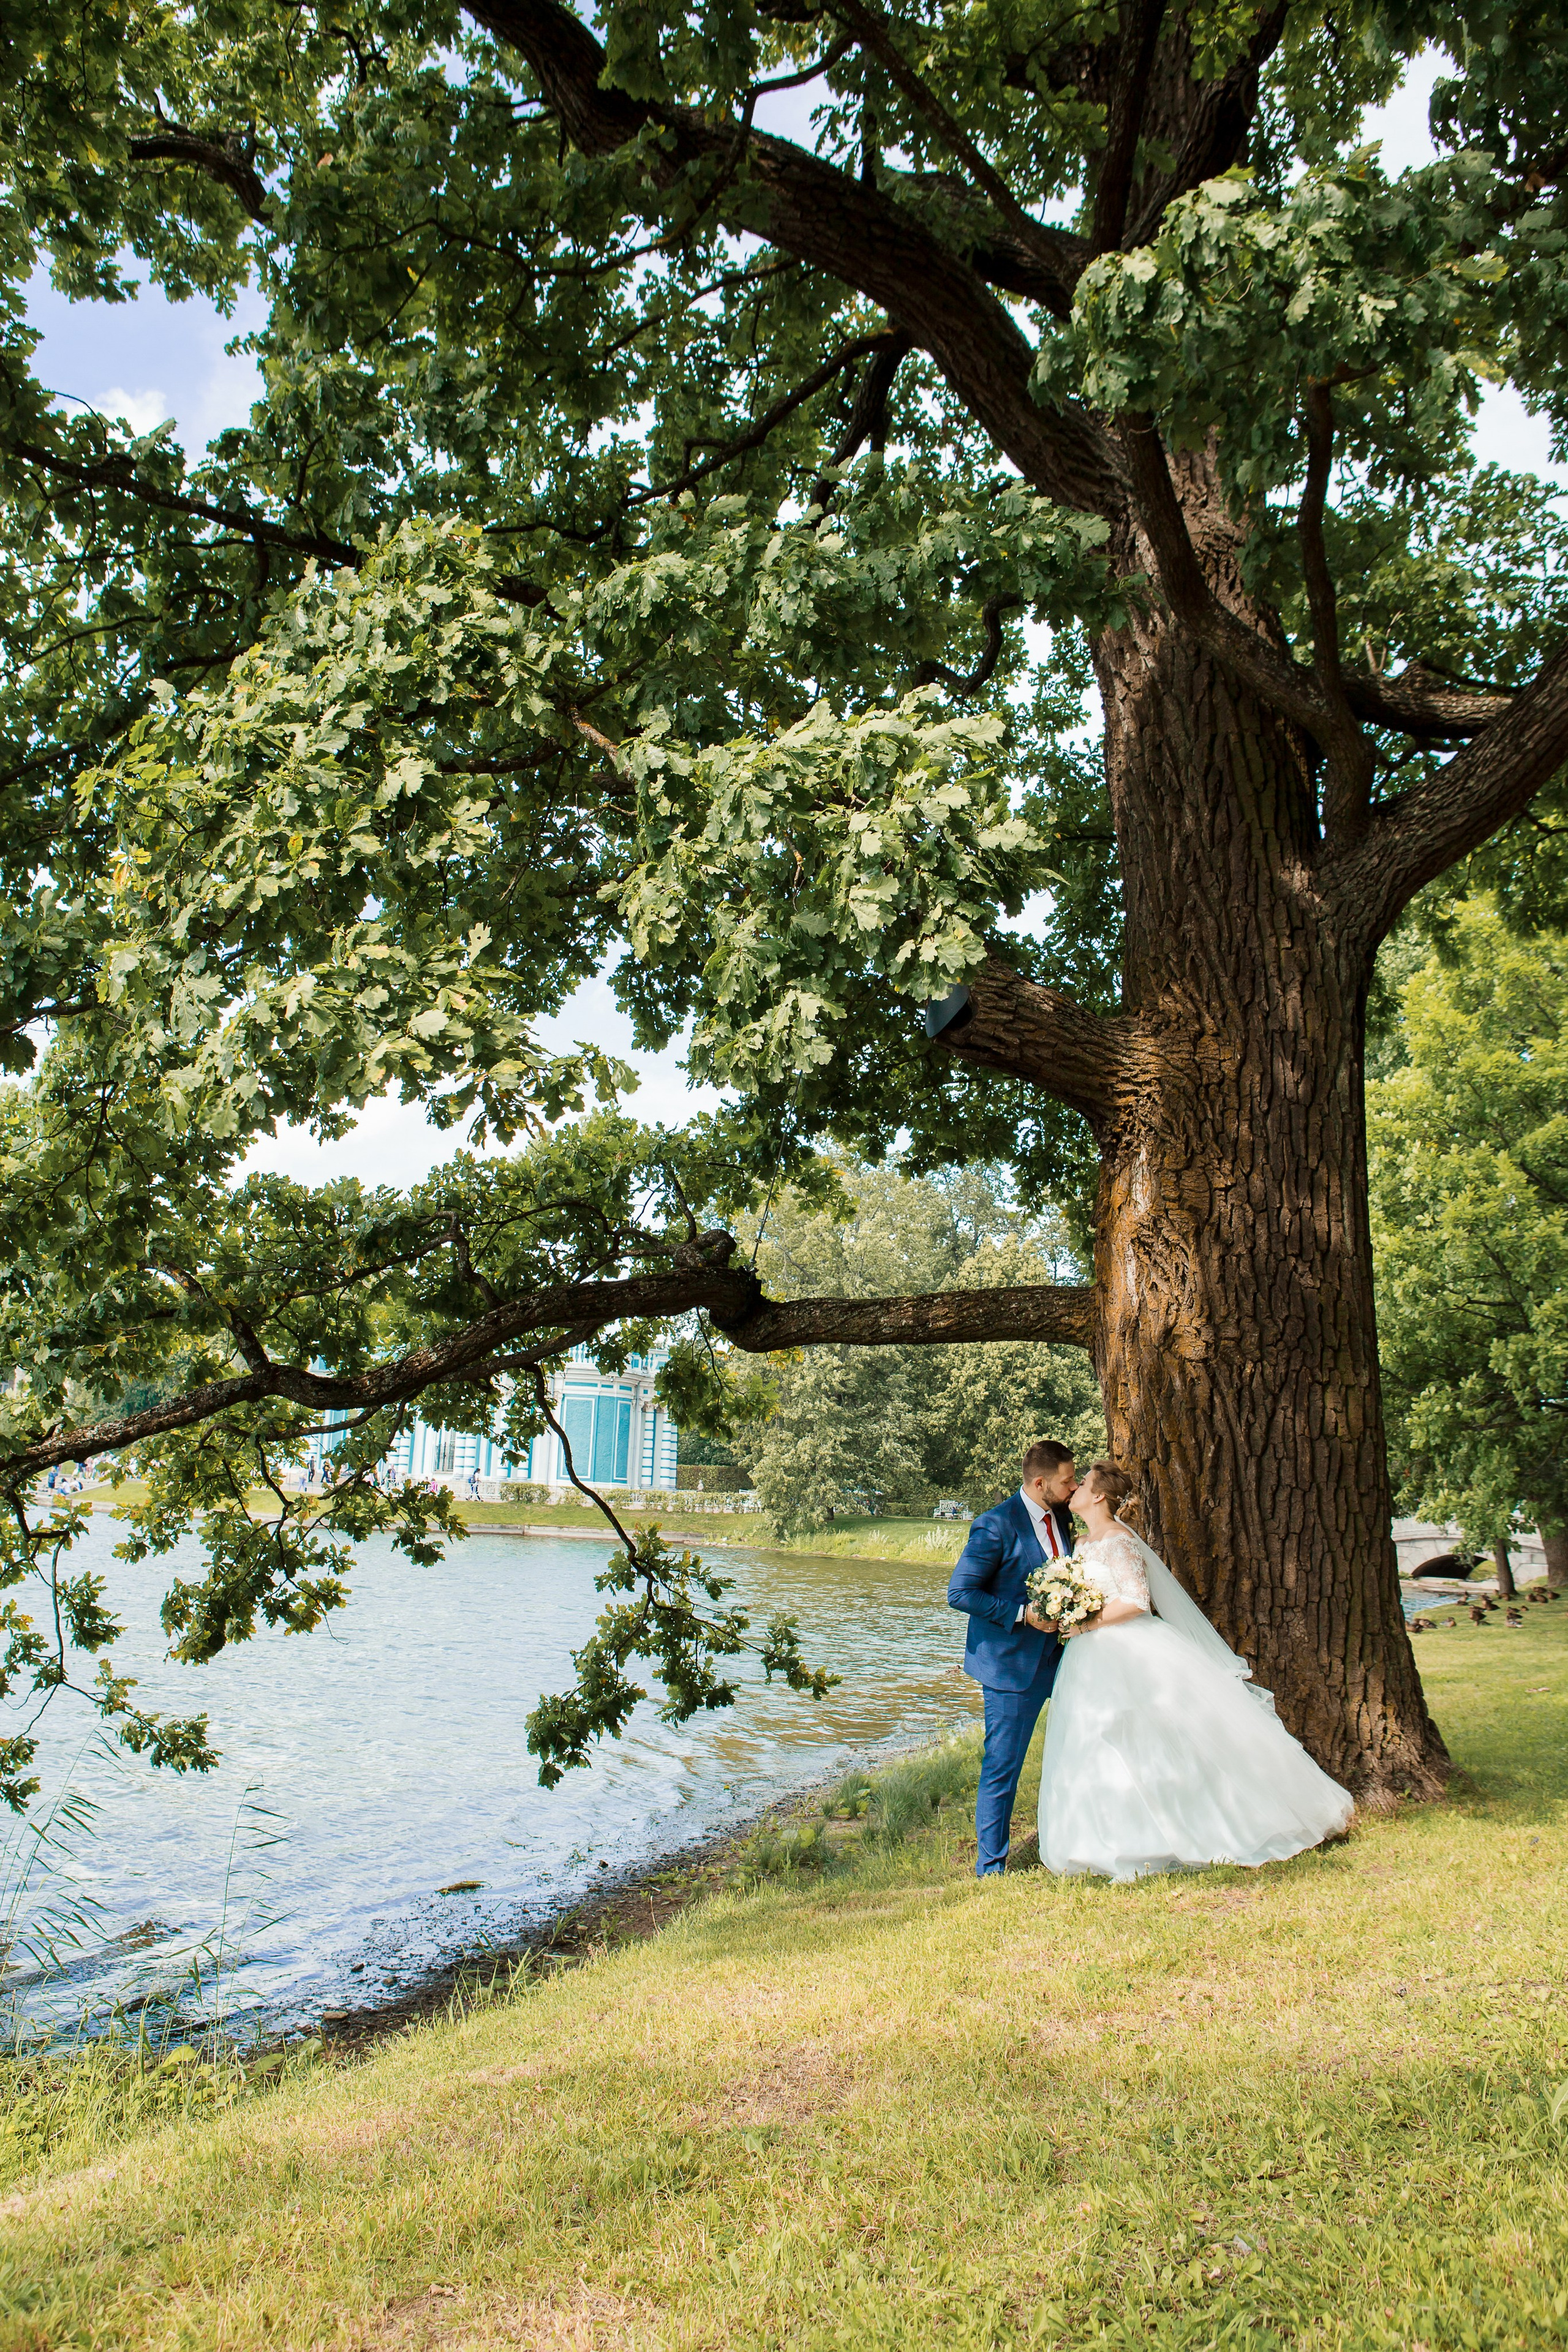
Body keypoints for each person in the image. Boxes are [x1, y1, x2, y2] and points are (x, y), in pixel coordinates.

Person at [1039, 1461, 1354, 1880]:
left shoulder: (1119, 1540)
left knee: (1149, 1738)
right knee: (1096, 1739)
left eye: (1084, 1485)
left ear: (1099, 1496)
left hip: (1128, 1651)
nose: (1074, 1489)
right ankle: (1100, 1838)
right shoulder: (1081, 1544)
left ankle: (1188, 1830)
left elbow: (1135, 1600)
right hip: (1089, 1658)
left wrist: (1083, 1622)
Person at [947, 1439, 1077, 1877]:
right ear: (1040, 1483)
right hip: (1011, 1667)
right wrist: (1023, 1614)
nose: (1073, 1487)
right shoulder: (994, 1526)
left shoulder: (1062, 1515)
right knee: (1003, 1765)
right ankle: (992, 1868)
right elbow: (960, 1593)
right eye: (1066, 1480)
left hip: (1067, 1661)